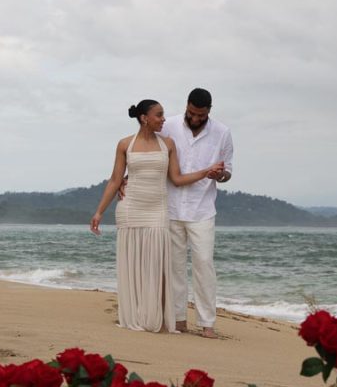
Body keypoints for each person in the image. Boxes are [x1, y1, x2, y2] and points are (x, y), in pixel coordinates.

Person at [90, 100, 223, 333]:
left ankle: (159, 317)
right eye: (159, 115)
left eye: (163, 115)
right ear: (144, 118)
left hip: (158, 211)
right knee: (134, 264)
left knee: (160, 267)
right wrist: (99, 211)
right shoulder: (124, 144)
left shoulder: (168, 144)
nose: (163, 119)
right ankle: (136, 315)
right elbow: (114, 179)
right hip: (131, 208)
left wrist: (206, 172)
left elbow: (177, 179)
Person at [121, 88, 233, 338]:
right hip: (169, 206)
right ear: (187, 106)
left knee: (204, 263)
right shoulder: (168, 125)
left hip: (202, 208)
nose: (195, 118)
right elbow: (147, 151)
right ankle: (179, 320)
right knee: (174, 267)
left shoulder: (222, 133)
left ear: (209, 111)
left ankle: (207, 323)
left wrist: (220, 175)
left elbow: (228, 172)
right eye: (192, 113)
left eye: (200, 115)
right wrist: (126, 178)